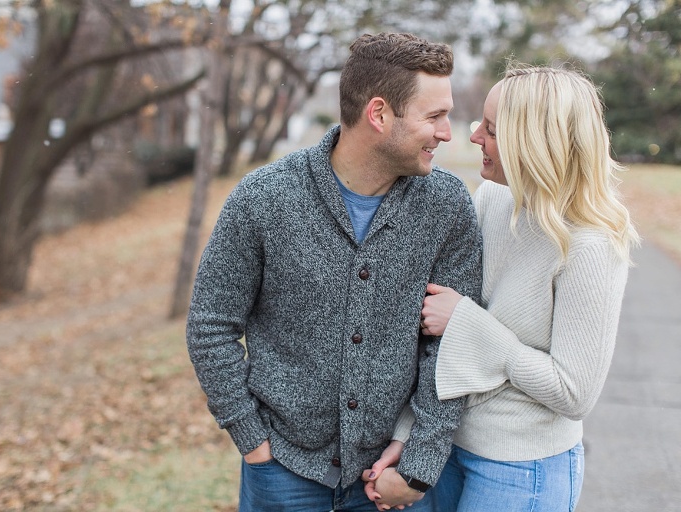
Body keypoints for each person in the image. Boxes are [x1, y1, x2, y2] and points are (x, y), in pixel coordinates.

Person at [185, 32, 483, 511]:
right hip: (282, 470)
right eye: (434, 116)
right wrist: (249, 436)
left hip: (391, 477)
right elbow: (210, 324)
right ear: (379, 114)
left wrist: (420, 461)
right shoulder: (264, 198)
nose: (448, 133)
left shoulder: (447, 207)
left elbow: (451, 347)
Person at [363, 64, 640, 511]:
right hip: (450, 449)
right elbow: (439, 340)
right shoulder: (494, 197)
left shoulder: (590, 245)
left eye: (491, 129)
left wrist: (468, 323)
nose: (473, 138)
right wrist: (410, 433)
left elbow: (575, 393)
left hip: (523, 469)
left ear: (534, 144)